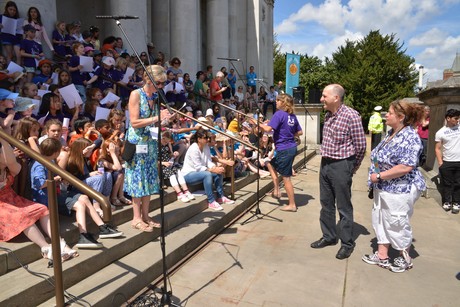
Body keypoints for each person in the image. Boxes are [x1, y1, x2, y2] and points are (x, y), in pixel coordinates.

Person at [362, 100, 426, 273]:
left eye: (389, 113)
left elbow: (406, 166)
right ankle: (382, 255)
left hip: (400, 188)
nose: (386, 116)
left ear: (400, 117)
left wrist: (380, 175)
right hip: (383, 186)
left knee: (396, 221)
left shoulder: (410, 137)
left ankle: (405, 258)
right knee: (380, 219)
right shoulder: (392, 133)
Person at [1, 129, 78, 261]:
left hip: (13, 200)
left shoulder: (9, 169)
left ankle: (58, 241)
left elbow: (11, 160)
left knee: (42, 209)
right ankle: (46, 248)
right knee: (22, 216)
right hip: (3, 206)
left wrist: (2, 138)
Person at [310, 84, 366, 260]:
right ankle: (329, 236)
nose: (321, 99)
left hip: (342, 165)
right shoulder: (328, 116)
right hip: (325, 163)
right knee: (326, 203)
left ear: (336, 98)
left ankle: (347, 243)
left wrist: (351, 168)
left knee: (343, 207)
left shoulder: (351, 116)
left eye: (324, 96)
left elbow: (361, 146)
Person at [124, 65, 173, 232]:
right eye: (159, 82)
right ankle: (136, 218)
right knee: (138, 179)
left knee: (150, 179)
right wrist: (157, 117)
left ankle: (146, 215)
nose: (161, 86)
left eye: (163, 84)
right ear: (148, 79)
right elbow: (134, 122)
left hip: (150, 143)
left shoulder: (156, 96)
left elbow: (155, 121)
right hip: (137, 143)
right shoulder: (136, 94)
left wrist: (164, 119)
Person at [259, 93, 302, 212]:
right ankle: (276, 190)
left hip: (284, 148)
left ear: (283, 103)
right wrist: (288, 134)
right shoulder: (291, 116)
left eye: (278, 100)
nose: (276, 102)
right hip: (291, 147)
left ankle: (292, 204)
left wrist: (258, 123)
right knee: (270, 164)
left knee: (286, 177)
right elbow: (300, 132)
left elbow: (267, 129)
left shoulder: (279, 114)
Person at [181, 129, 234, 211]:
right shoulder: (193, 148)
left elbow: (208, 161)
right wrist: (213, 170)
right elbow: (198, 167)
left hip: (199, 173)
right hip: (188, 175)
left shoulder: (205, 147)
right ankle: (211, 201)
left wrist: (215, 168)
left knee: (218, 172)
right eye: (205, 138)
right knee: (208, 174)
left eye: (207, 138)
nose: (208, 140)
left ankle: (220, 196)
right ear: (199, 139)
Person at [435, 109, 460, 213]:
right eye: (456, 118)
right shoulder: (440, 132)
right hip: (447, 162)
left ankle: (456, 202)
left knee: (458, 183)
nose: (458, 120)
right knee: (447, 184)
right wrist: (440, 163)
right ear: (448, 118)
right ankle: (447, 202)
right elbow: (437, 148)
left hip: (459, 161)